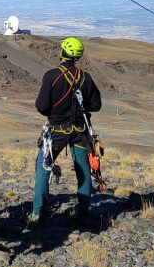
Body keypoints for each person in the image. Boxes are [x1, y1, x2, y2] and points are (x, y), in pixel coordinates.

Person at [27, 37, 102, 227]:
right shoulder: (85, 77)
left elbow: (42, 106)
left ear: (62, 53)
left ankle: (37, 213)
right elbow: (96, 105)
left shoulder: (52, 76)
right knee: (83, 168)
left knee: (43, 166)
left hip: (57, 131)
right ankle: (84, 211)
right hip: (80, 131)